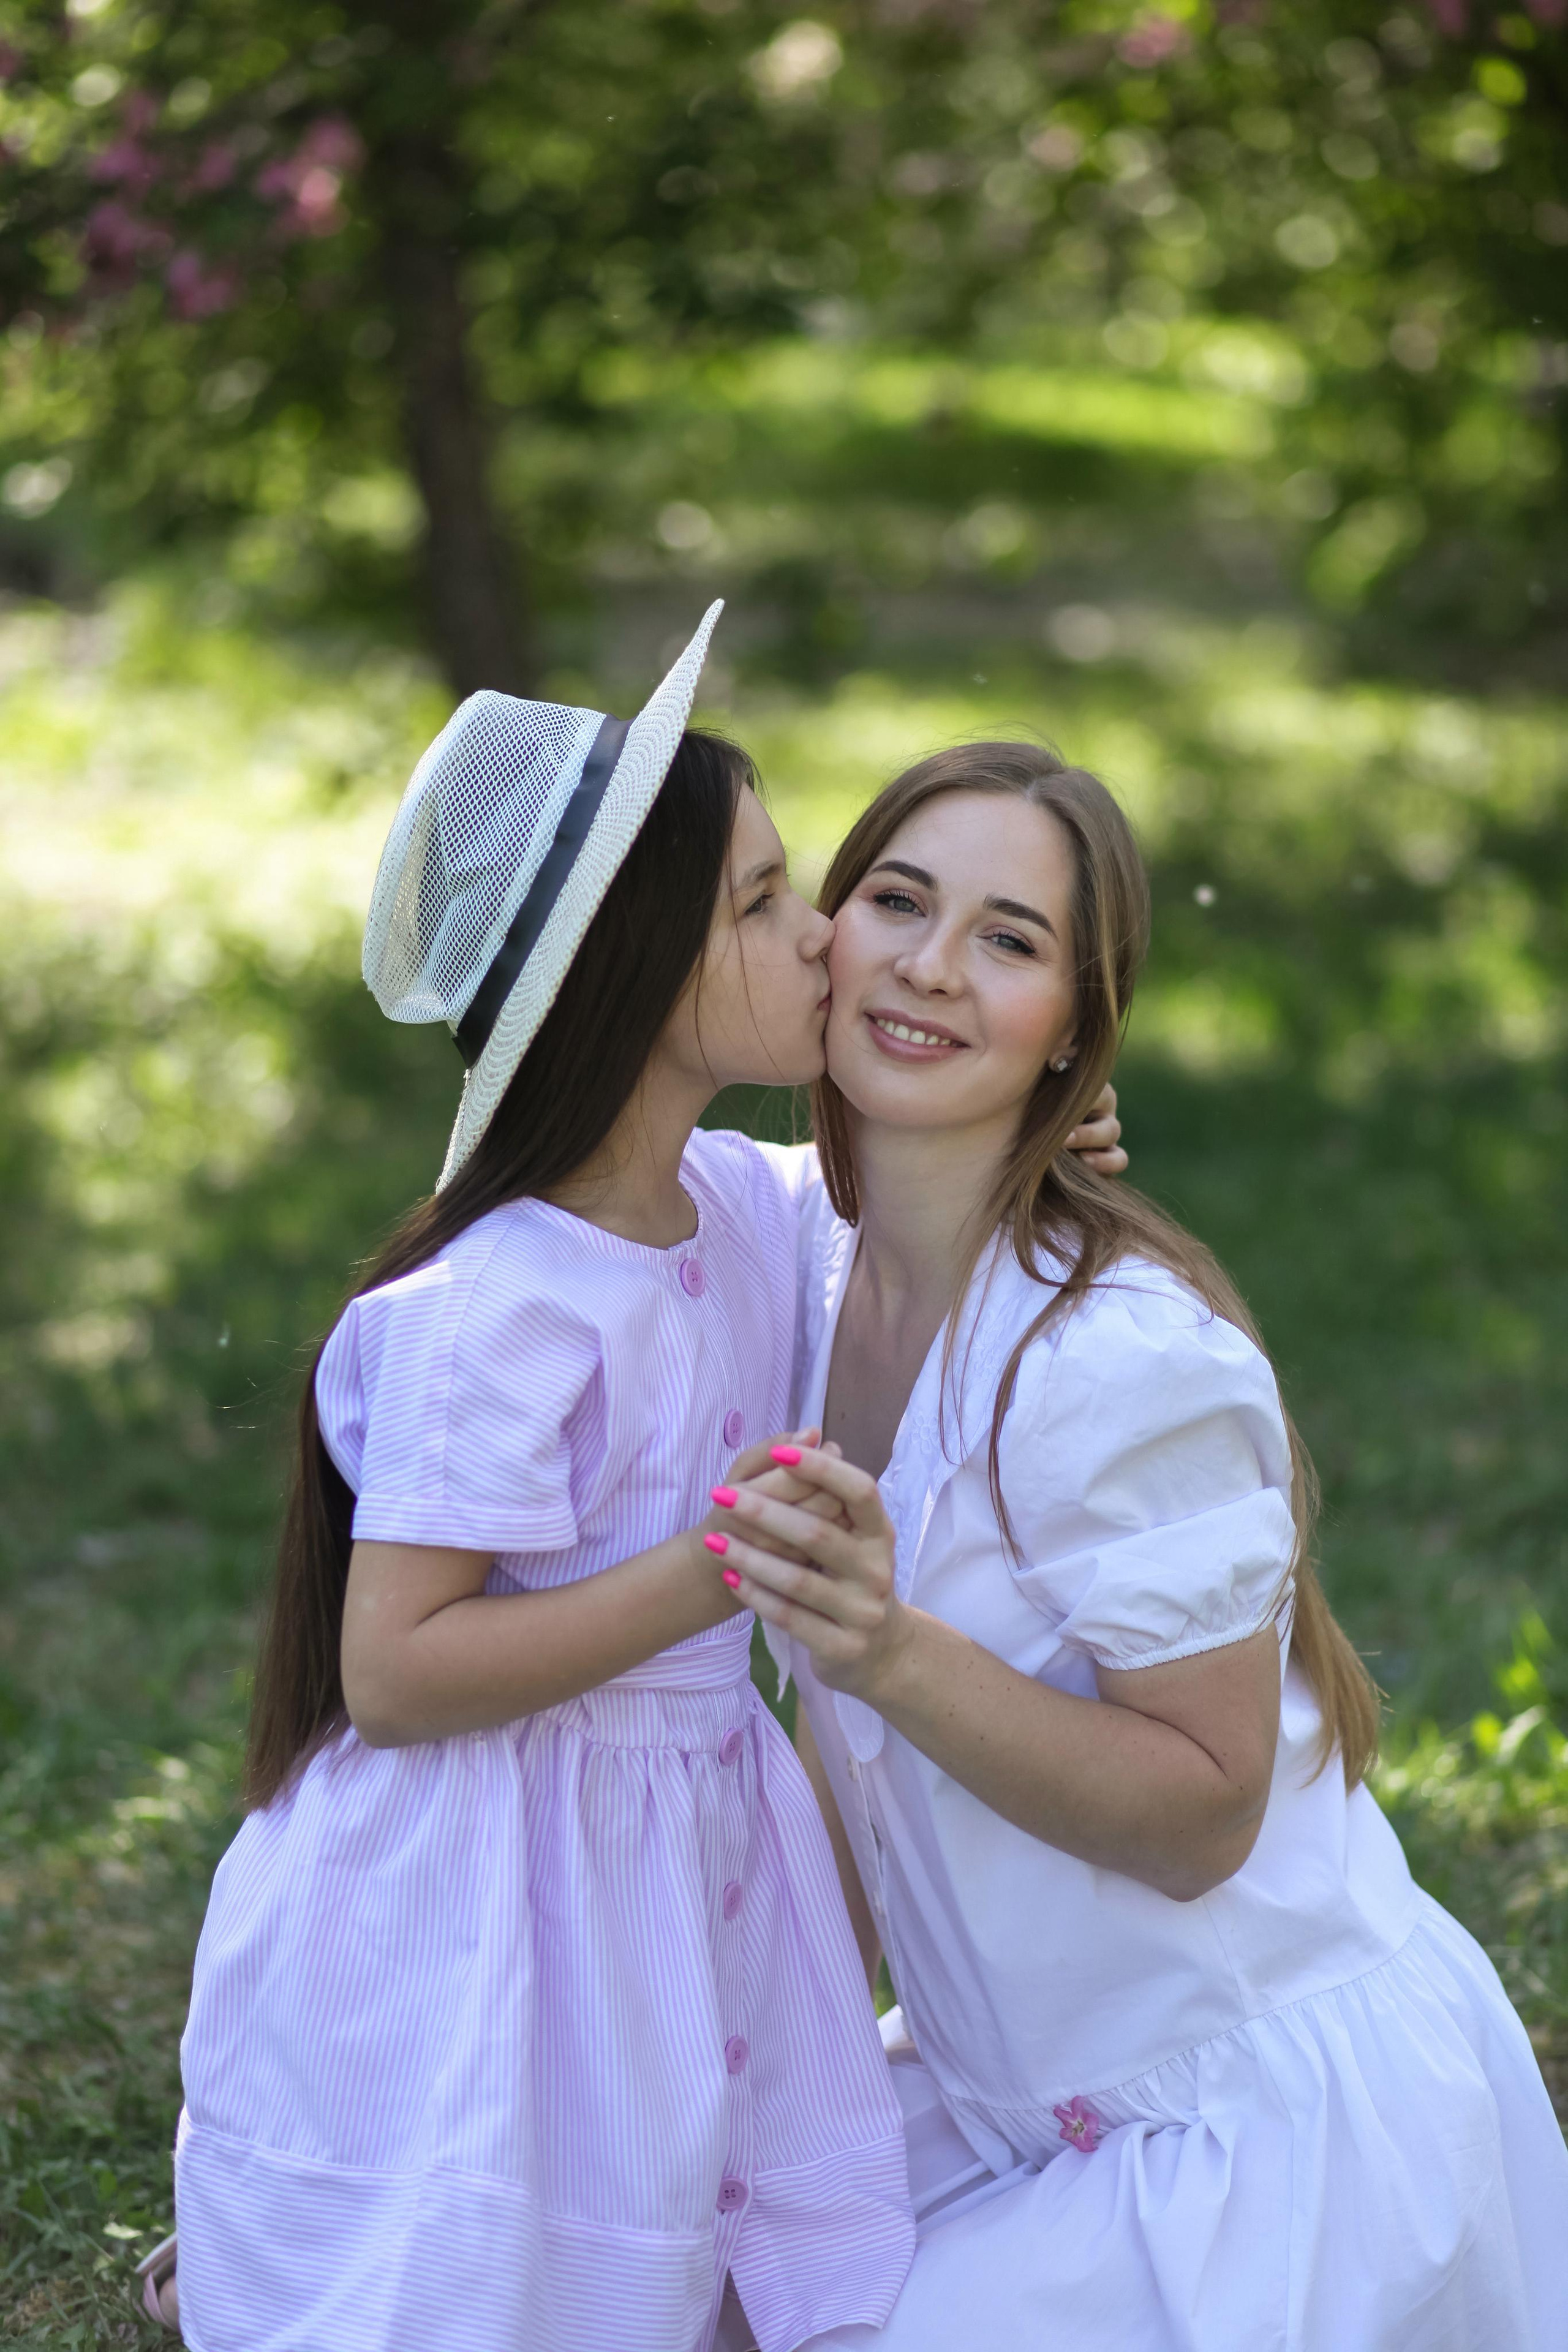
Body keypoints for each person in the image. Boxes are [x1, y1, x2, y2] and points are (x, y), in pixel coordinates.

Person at [712, 741, 1568, 2350]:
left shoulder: (1115, 1360)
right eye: (897, 901)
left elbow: (1201, 1815)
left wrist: (891, 1649)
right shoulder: (790, 1269)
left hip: (1250, 2136)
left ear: (1073, 1038)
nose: (934, 967)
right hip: (996, 2082)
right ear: (822, 934)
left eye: (1012, 942)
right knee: (620, 2280)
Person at [167, 605, 933, 2352]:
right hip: (499, 1869)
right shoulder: (496, 1311)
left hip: (677, 1830)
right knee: (489, 2246)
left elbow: (901, 1219)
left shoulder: (733, 1205)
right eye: (761, 903)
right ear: (630, 980)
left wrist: (1044, 1132)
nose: (821, 934)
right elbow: (398, 1672)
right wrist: (710, 1568)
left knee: (684, 2221)